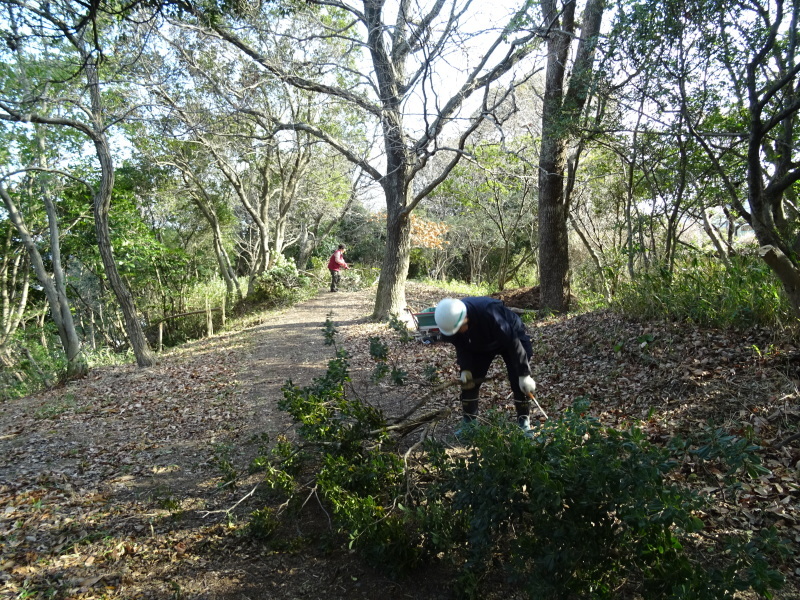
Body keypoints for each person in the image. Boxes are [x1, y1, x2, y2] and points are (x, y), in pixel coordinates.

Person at [434, 296, 537, 436]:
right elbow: (461, 346)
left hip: (511, 337)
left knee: (518, 381)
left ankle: (524, 422)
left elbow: (513, 343)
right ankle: (469, 424)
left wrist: (524, 374)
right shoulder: (450, 323)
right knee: (469, 382)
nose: (458, 332)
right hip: (480, 343)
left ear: (465, 318)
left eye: (460, 329)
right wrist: (465, 369)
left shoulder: (490, 312)